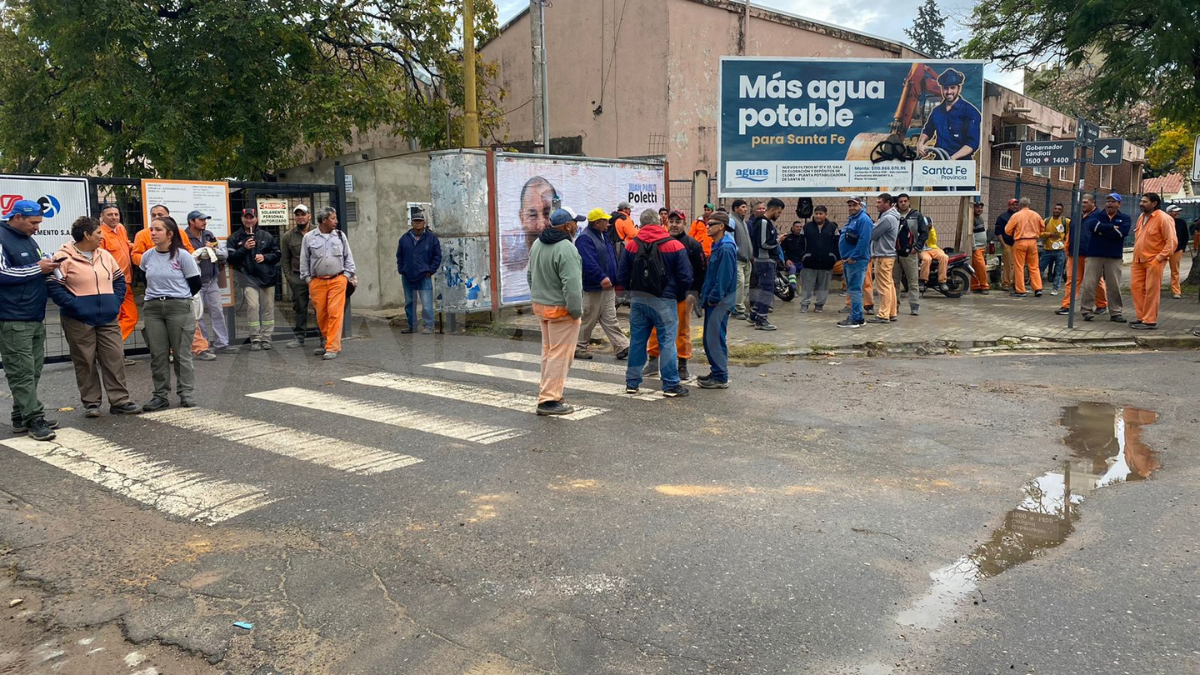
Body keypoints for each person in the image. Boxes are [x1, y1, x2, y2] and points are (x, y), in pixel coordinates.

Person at [47, 216, 143, 418]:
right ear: (86, 235)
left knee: (114, 358)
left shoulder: (105, 256)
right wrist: (75, 306)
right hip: (78, 319)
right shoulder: (63, 257)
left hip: (107, 317)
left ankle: (120, 401)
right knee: (85, 361)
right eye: (98, 233)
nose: (102, 237)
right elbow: (54, 286)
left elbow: (118, 280)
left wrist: (115, 302)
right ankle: (91, 403)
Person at [0, 200, 61, 441]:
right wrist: (38, 268)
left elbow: (33, 266)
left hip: (33, 314)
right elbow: (2, 273)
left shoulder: (27, 238)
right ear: (17, 217)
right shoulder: (2, 237)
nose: (37, 227)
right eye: (33, 222)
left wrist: (48, 266)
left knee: (33, 370)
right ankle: (34, 418)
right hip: (13, 316)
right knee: (21, 371)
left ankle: (20, 416)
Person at [618, 209, 692, 397]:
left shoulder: (631, 246)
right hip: (665, 300)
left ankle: (632, 383)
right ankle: (670, 385)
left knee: (637, 342)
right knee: (667, 342)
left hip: (639, 299)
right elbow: (686, 276)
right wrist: (677, 294)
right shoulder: (674, 245)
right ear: (660, 222)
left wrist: (632, 291)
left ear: (641, 225)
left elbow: (622, 275)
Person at [139, 216, 202, 412]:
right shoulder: (147, 256)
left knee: (182, 353)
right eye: (152, 229)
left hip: (178, 308)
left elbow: (195, 284)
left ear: (170, 234)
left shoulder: (183, 256)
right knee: (158, 355)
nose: (153, 233)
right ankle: (160, 396)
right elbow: (144, 279)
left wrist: (179, 298)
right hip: (153, 309)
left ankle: (186, 393)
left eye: (158, 230)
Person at [528, 207, 585, 416]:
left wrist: (538, 298)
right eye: (575, 223)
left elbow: (530, 275)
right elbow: (572, 285)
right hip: (562, 311)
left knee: (549, 354)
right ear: (568, 226)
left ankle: (547, 393)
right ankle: (549, 400)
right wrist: (576, 311)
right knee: (560, 356)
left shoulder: (537, 243)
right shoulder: (566, 248)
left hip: (541, 307)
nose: (577, 226)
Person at [646, 210, 705, 380]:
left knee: (682, 330)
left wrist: (694, 293)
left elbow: (701, 271)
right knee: (656, 330)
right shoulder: (659, 242)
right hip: (660, 295)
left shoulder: (693, 245)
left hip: (683, 296)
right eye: (671, 221)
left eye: (678, 222)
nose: (673, 225)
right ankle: (652, 362)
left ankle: (682, 364)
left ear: (684, 224)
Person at [299, 207, 357, 359]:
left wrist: (346, 276)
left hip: (337, 279)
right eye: (333, 218)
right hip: (317, 282)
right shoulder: (309, 237)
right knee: (321, 315)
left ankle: (332, 347)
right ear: (324, 220)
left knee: (334, 312)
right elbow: (304, 260)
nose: (336, 221)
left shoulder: (340, 235)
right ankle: (328, 342)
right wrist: (308, 280)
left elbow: (348, 257)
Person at [575, 208, 629, 360]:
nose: (608, 223)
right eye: (605, 220)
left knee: (610, 318)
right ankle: (578, 347)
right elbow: (588, 262)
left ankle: (621, 346)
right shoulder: (585, 239)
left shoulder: (603, 235)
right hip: (595, 287)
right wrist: (601, 277)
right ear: (597, 222)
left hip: (607, 286)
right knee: (588, 319)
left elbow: (611, 258)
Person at [226, 207, 280, 350]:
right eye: (246, 217)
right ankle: (255, 338)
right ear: (242, 219)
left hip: (267, 277)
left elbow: (277, 254)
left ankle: (266, 338)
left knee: (268, 308)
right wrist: (244, 248)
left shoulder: (266, 236)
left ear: (256, 219)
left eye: (251, 217)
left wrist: (265, 257)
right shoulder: (235, 237)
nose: (249, 220)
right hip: (248, 278)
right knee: (253, 306)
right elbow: (230, 258)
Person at [184, 210, 233, 357]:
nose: (205, 222)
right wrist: (198, 253)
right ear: (191, 221)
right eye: (201, 220)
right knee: (197, 315)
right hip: (194, 283)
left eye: (205, 220)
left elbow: (224, 254)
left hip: (212, 280)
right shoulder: (184, 237)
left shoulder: (209, 235)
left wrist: (213, 251)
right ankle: (203, 345)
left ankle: (222, 344)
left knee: (217, 311)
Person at [698, 211, 738, 390]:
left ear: (721, 226)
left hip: (719, 302)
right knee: (710, 338)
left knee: (714, 339)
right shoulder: (719, 244)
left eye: (711, 224)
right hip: (715, 300)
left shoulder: (725, 247)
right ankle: (717, 370)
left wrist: (713, 297)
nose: (707, 226)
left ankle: (721, 376)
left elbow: (724, 278)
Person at [1080, 193, 1131, 323]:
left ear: (1119, 204)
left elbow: (1122, 233)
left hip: (1114, 256)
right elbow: (1092, 226)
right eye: (1107, 201)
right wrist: (1111, 228)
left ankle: (1116, 312)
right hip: (1094, 254)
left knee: (1114, 285)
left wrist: (1102, 231)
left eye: (1113, 201)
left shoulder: (1124, 218)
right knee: (1089, 284)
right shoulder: (1096, 215)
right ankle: (1086, 311)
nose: (1109, 203)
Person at [1129, 192, 1177, 330]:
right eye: (1141, 201)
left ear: (1154, 203)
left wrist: (1159, 258)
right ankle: (1141, 317)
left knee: (1151, 290)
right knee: (1136, 288)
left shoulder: (1164, 218)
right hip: (1138, 260)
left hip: (1154, 260)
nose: (1141, 204)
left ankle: (1150, 320)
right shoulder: (1141, 217)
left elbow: (1171, 242)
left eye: (1145, 201)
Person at [1057, 194, 1108, 316]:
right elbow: (1070, 232)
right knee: (1072, 280)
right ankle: (1067, 305)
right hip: (1074, 253)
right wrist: (1067, 247)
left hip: (1092, 254)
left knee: (1095, 281)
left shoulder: (1100, 216)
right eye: (1081, 202)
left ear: (1093, 203)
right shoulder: (1077, 216)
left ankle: (1101, 304)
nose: (1082, 205)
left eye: (1085, 202)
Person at [915, 68, 982, 161]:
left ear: (959, 88)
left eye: (952, 87)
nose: (949, 91)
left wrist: (952, 159)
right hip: (939, 161)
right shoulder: (936, 112)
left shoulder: (970, 112)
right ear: (941, 89)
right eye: (945, 88)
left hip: (961, 165)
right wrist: (921, 144)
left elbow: (972, 143)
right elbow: (928, 130)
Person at [395, 209, 442, 334]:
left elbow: (437, 256)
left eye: (420, 221)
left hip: (424, 276)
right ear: (411, 223)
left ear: (424, 223)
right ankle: (412, 326)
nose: (418, 224)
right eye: (415, 221)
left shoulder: (431, 238)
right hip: (407, 275)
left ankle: (429, 326)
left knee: (427, 303)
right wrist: (402, 269)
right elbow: (399, 256)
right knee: (409, 303)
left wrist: (430, 270)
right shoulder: (404, 239)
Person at [97, 204, 138, 344]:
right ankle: (109, 349)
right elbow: (99, 259)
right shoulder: (100, 234)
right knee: (115, 318)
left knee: (131, 316)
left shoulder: (121, 228)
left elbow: (126, 245)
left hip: (126, 281)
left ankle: (111, 347)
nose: (114, 217)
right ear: (102, 217)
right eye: (110, 214)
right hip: (112, 283)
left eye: (116, 214)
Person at [280, 204, 316, 348]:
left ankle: (324, 337)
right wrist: (290, 278)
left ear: (309, 216)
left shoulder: (318, 232)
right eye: (298, 215)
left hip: (316, 277)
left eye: (303, 214)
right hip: (298, 277)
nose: (300, 217)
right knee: (300, 307)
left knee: (320, 307)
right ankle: (299, 337)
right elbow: (285, 259)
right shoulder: (288, 236)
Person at [837, 196, 873, 329]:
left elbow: (864, 240)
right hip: (849, 260)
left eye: (854, 205)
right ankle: (856, 316)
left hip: (856, 261)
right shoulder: (853, 219)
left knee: (855, 290)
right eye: (850, 205)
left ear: (861, 205)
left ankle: (856, 319)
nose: (851, 208)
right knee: (852, 290)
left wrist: (854, 257)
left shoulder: (863, 220)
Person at [748, 198, 782, 330]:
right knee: (767, 290)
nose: (779, 215)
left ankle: (754, 314)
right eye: (778, 212)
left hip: (767, 260)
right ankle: (761, 319)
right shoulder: (763, 222)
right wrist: (778, 241)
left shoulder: (766, 223)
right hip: (765, 261)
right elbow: (763, 243)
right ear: (773, 209)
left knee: (765, 289)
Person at [798, 205, 838, 312]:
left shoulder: (832, 228)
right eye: (816, 214)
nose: (818, 216)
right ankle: (804, 304)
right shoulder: (807, 227)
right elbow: (800, 243)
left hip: (826, 264)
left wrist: (834, 256)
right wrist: (803, 256)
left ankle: (819, 305)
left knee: (823, 287)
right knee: (807, 286)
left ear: (825, 215)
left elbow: (838, 244)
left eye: (821, 214)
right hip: (809, 263)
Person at [868, 193, 900, 324]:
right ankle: (891, 312)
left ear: (888, 203)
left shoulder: (887, 218)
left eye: (879, 202)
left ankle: (883, 314)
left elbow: (873, 234)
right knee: (889, 285)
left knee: (884, 286)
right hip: (887, 255)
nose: (877, 204)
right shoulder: (891, 216)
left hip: (884, 255)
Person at [1005, 197, 1045, 297]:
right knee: (1034, 266)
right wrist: (1037, 233)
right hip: (1032, 242)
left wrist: (1014, 233)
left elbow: (1007, 230)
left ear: (1020, 205)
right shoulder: (1036, 215)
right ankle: (1038, 288)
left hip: (1020, 241)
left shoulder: (1016, 215)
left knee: (1019, 266)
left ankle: (1020, 290)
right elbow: (1042, 228)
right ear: (1029, 205)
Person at [894, 194, 928, 313]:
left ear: (909, 202)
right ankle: (894, 306)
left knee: (913, 280)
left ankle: (914, 306)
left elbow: (924, 233)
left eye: (905, 201)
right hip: (895, 253)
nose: (903, 203)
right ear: (897, 203)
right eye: (900, 201)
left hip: (910, 253)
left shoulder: (916, 215)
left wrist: (917, 247)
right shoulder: (893, 214)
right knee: (894, 281)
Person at [1038, 203, 1068, 295]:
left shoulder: (1065, 221)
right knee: (1040, 268)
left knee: (1059, 270)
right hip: (1047, 249)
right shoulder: (1046, 220)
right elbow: (1040, 233)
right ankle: (1038, 287)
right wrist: (1049, 234)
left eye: (1059, 209)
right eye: (1055, 208)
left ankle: (1055, 288)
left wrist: (1066, 246)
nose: (1057, 210)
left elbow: (1069, 234)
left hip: (1060, 250)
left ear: (1062, 211)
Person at [730, 199, 753, 320]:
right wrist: (738, 252)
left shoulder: (743, 222)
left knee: (745, 285)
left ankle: (739, 307)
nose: (745, 209)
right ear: (735, 208)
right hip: (737, 259)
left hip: (746, 259)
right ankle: (738, 309)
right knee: (739, 283)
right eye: (743, 207)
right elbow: (731, 239)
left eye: (746, 207)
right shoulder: (732, 220)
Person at [994, 198, 1019, 290]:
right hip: (1007, 244)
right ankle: (1006, 283)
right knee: (1008, 264)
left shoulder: (1020, 216)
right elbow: (998, 231)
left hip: (1018, 244)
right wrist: (1003, 244)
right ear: (1009, 206)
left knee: (1017, 265)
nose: (1015, 206)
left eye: (1016, 205)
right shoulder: (1002, 217)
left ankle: (1017, 283)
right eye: (1013, 205)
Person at [919, 224, 950, 293]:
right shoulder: (916, 228)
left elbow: (933, 241)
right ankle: (923, 280)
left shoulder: (930, 229)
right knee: (927, 259)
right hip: (922, 250)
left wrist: (931, 230)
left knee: (944, 257)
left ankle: (942, 281)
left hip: (933, 248)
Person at [1166, 204, 1188, 299]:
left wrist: (1182, 248)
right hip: (1162, 250)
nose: (1178, 213)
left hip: (1177, 250)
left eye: (1178, 211)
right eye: (1175, 211)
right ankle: (1153, 289)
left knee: (1175, 271)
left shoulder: (1181, 222)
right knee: (1156, 270)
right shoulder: (1164, 222)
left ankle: (1176, 291)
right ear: (1169, 212)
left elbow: (1185, 236)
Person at [969, 201, 990, 294]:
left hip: (982, 247)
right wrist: (973, 246)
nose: (979, 209)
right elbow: (971, 234)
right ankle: (984, 286)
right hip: (976, 247)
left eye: (981, 208)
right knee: (981, 267)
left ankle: (975, 285)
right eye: (977, 207)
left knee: (976, 267)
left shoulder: (980, 218)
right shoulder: (972, 219)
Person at [780, 220, 806, 291]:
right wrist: (786, 260)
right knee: (792, 269)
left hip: (801, 262)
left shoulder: (804, 238)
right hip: (790, 262)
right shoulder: (787, 238)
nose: (799, 228)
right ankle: (792, 288)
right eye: (797, 227)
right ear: (793, 228)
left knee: (806, 270)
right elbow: (781, 250)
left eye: (800, 227)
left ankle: (806, 289)